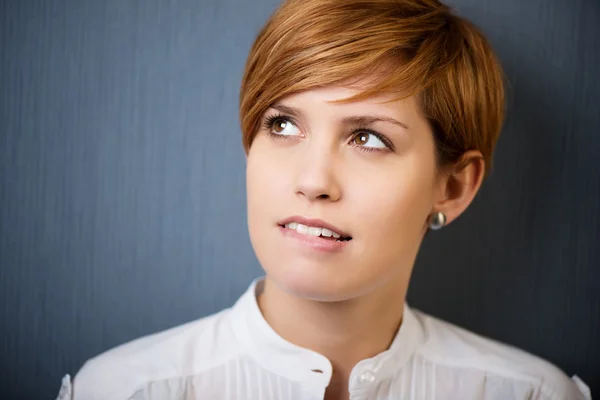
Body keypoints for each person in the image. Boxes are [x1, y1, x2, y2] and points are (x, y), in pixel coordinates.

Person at [56, 0, 592, 399]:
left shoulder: (529, 395)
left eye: (368, 138)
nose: (313, 181)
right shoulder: (122, 390)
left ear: (452, 186)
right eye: (283, 124)